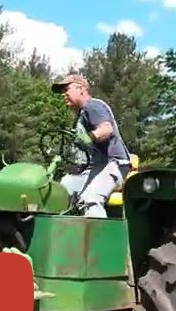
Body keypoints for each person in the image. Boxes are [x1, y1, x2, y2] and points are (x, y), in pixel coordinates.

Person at [50, 73, 133, 218]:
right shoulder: (81, 115)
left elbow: (106, 129)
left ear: (80, 89)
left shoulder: (92, 106)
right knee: (60, 193)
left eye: (67, 90)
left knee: (90, 198)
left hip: (114, 164)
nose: (64, 95)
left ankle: (99, 239)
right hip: (94, 167)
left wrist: (90, 137)